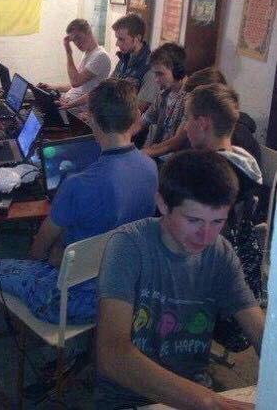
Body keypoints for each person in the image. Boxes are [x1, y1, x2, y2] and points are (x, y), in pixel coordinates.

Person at [0, 79, 158, 324]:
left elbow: (37, 252)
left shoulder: (76, 184)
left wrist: (54, 254)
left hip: (70, 300)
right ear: (136, 116)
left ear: (91, 119)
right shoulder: (151, 167)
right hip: (126, 287)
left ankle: (28, 331)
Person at [97, 150, 264, 409]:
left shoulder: (220, 252)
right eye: (193, 220)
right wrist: (210, 401)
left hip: (194, 391)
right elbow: (112, 354)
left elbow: (256, 323)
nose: (206, 236)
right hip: (129, 398)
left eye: (217, 222)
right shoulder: (128, 246)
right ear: (163, 204)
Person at [185, 83, 263, 352]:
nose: (185, 127)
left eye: (187, 119)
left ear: (203, 123)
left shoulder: (203, 174)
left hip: (211, 294)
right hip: (245, 281)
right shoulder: (245, 160)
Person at [39, 18, 111, 110]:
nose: (76, 43)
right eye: (73, 40)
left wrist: (69, 53)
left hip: (80, 110)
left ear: (89, 33)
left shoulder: (101, 56)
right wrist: (52, 87)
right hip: (69, 102)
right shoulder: (88, 53)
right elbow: (78, 87)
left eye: (78, 37)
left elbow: (75, 82)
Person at [135, 42, 187, 147]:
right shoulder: (162, 95)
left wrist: (146, 153)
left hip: (175, 156)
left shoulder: (190, 98)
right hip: (156, 152)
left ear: (177, 70)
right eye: (155, 74)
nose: (156, 80)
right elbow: (143, 121)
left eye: (160, 74)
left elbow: (177, 142)